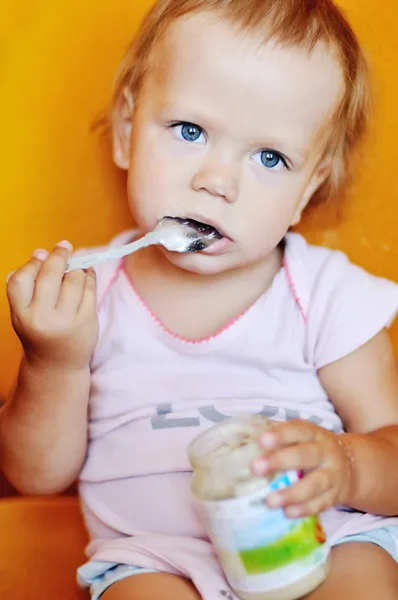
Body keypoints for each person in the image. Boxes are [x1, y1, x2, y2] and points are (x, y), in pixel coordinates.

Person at [2, 0, 398, 598]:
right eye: (190, 131)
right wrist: (52, 360)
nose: (217, 181)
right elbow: (32, 476)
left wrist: (346, 467)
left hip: (321, 539)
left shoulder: (326, 296)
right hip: (155, 560)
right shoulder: (88, 301)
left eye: (270, 158)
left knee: (367, 581)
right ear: (128, 133)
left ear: (304, 193)